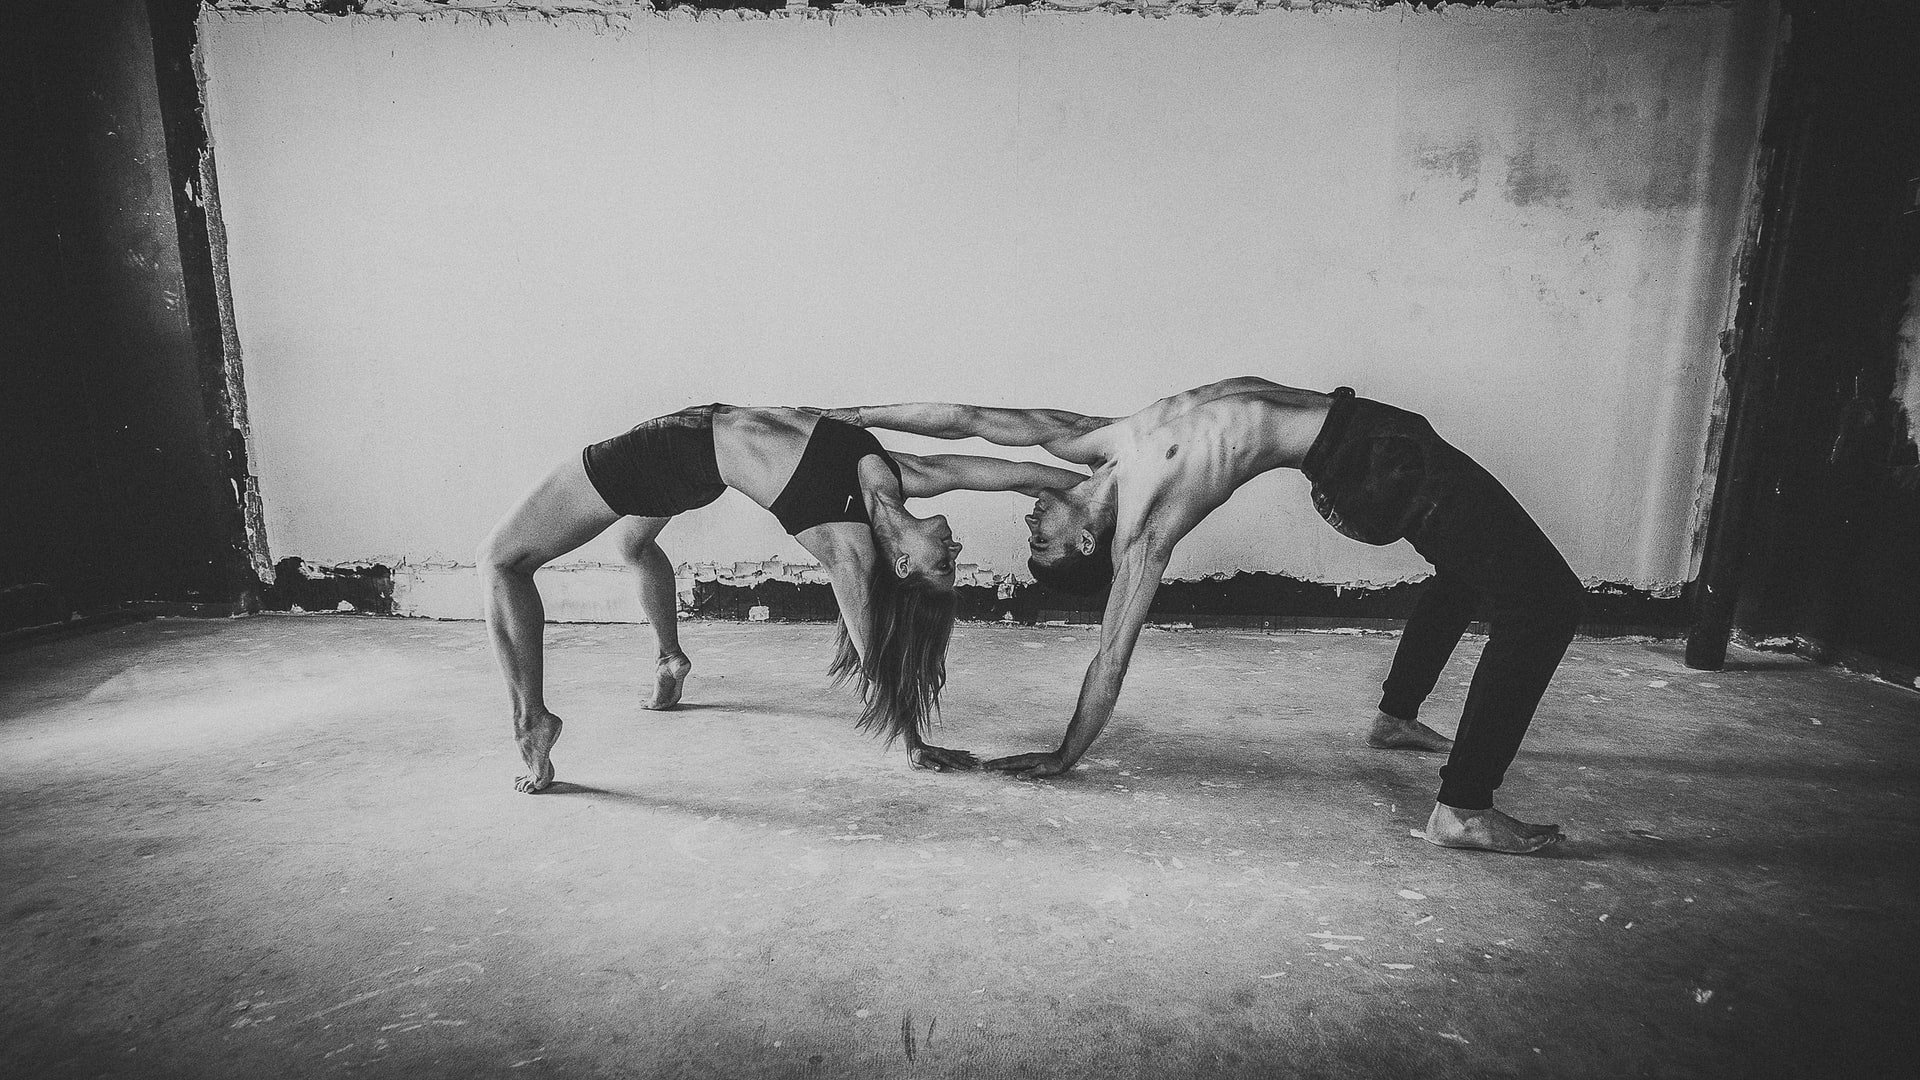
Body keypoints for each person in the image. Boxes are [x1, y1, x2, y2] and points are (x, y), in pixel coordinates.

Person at [822, 379, 1584, 854]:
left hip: (1374, 437)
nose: (1030, 533)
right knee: (1543, 605)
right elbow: (1110, 659)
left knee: (1469, 570)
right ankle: (1463, 808)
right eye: (1044, 552)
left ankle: (1397, 714)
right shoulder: (1144, 526)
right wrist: (1065, 753)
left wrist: (843, 416)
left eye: (1035, 546)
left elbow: (969, 417)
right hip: (1371, 466)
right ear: (1089, 543)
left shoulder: (1103, 443)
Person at [478, 403, 1084, 794]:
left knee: (501, 560)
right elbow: (1007, 472)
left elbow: (875, 654)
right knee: (634, 546)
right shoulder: (902, 479)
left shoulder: (848, 549)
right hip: (694, 459)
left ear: (902, 565)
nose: (955, 557)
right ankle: (669, 658)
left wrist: (913, 741)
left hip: (671, 453)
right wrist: (1093, 491)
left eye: (942, 571)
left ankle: (531, 724)